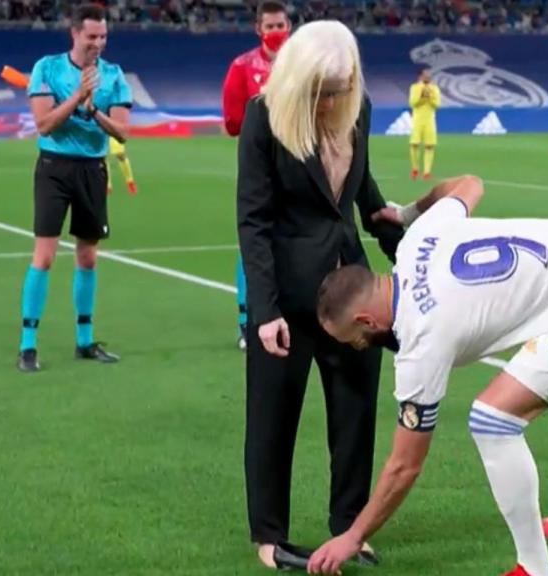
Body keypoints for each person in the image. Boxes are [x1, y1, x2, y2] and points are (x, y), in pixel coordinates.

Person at [307, 175, 548, 576]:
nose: (357, 346)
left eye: (353, 338)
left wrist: (352, 536)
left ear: (366, 319)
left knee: (493, 419)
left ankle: (535, 569)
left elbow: (404, 466)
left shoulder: (421, 339)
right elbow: (469, 184)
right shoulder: (417, 239)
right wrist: (405, 212)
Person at [236, 19, 404, 570]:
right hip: (286, 296)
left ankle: (349, 529)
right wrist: (264, 311)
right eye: (323, 90)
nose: (332, 99)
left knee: (355, 416)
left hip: (352, 291)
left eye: (340, 89)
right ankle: (270, 536)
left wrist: (397, 237)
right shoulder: (265, 118)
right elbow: (254, 220)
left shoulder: (360, 108)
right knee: (272, 417)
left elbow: (361, 186)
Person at [16, 3, 132, 372]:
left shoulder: (113, 76)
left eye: (103, 36)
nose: (98, 43)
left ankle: (84, 341)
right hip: (53, 168)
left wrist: (93, 108)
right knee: (45, 256)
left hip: (92, 170)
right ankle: (27, 345)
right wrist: (76, 97)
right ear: (75, 34)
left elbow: (122, 132)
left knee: (87, 257)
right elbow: (45, 125)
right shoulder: (47, 68)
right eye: (92, 36)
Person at [222, 0, 290, 350]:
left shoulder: (301, 66)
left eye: (282, 26)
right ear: (258, 29)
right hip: (260, 168)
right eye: (271, 27)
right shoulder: (242, 67)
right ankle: (247, 320)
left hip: (298, 166)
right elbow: (232, 123)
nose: (277, 33)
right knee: (253, 240)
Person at [408, 68, 441, 180]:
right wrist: (422, 97)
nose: (428, 76)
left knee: (429, 145)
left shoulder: (434, 88)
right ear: (420, 76)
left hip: (429, 120)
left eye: (429, 74)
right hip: (417, 120)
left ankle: (427, 171)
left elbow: (437, 104)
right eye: (425, 74)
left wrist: (430, 97)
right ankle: (415, 168)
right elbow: (413, 103)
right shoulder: (415, 87)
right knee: (414, 144)